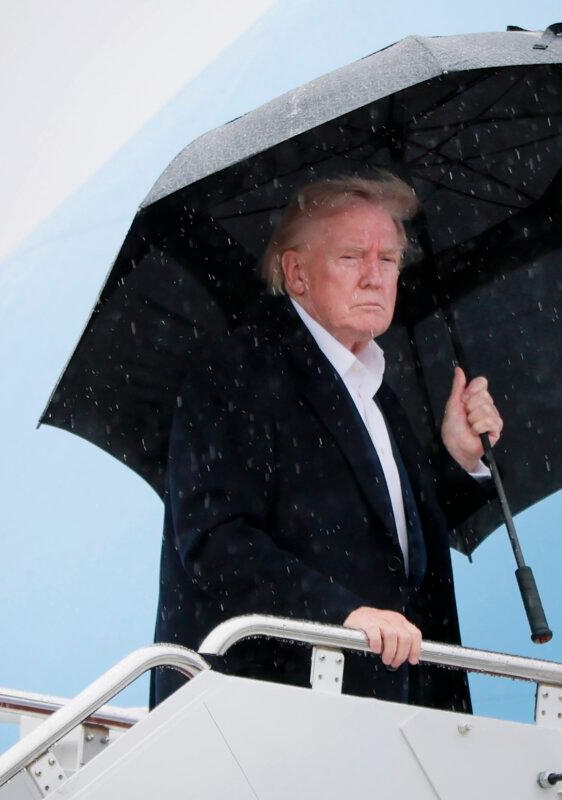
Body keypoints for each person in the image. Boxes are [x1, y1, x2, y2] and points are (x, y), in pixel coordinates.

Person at [152, 171, 503, 711]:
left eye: (387, 260)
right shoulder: (237, 371)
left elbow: (388, 541)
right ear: (297, 273)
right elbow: (217, 543)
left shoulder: (376, 391)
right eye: (350, 257)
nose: (374, 277)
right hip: (266, 723)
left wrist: (459, 456)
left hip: (400, 722)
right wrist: (343, 615)